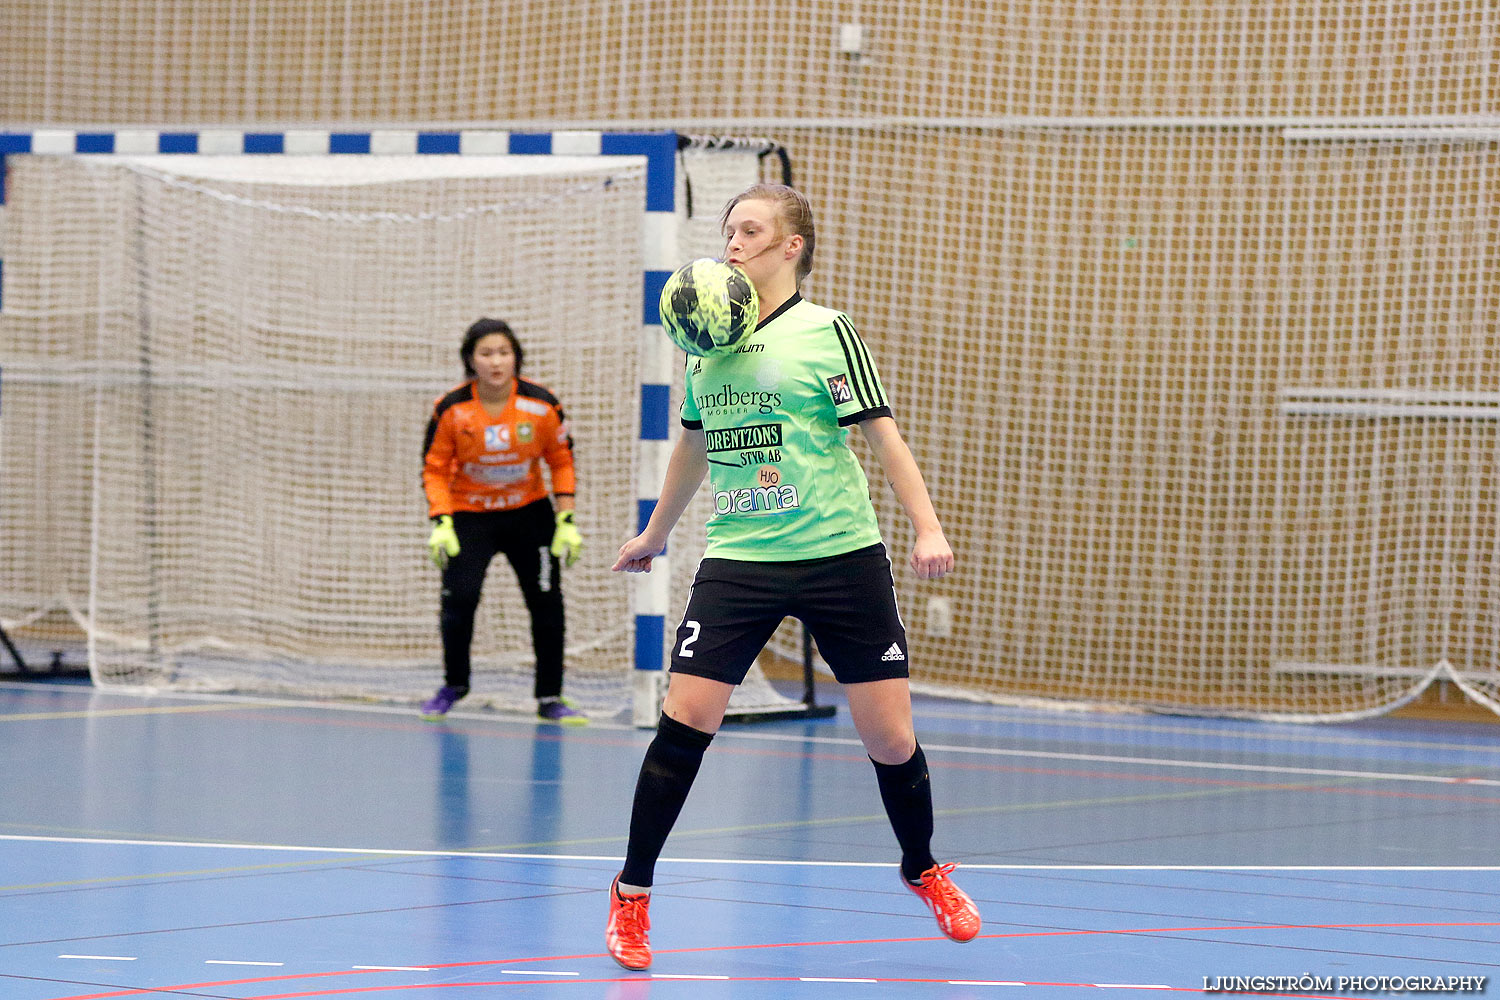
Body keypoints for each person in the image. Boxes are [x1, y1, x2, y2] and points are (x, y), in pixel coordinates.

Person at [605, 184, 981, 970]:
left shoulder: (826, 333)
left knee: (889, 738)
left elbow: (882, 434)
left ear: (791, 246)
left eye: (750, 230)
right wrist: (656, 531)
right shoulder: (704, 338)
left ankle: (923, 867)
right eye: (728, 230)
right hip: (741, 558)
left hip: (841, 555)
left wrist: (928, 525)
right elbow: (695, 445)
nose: (733, 242)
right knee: (687, 719)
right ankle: (632, 896)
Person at [419, 318, 587, 725]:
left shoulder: (542, 404)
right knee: (459, 600)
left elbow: (561, 460)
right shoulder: (451, 408)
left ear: (516, 357)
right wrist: (441, 520)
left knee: (547, 603)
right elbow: (434, 468)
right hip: (469, 516)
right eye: (486, 353)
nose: (496, 362)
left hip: (529, 515)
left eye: (504, 352)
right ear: (470, 360)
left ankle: (550, 696)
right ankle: (454, 685)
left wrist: (565, 518)